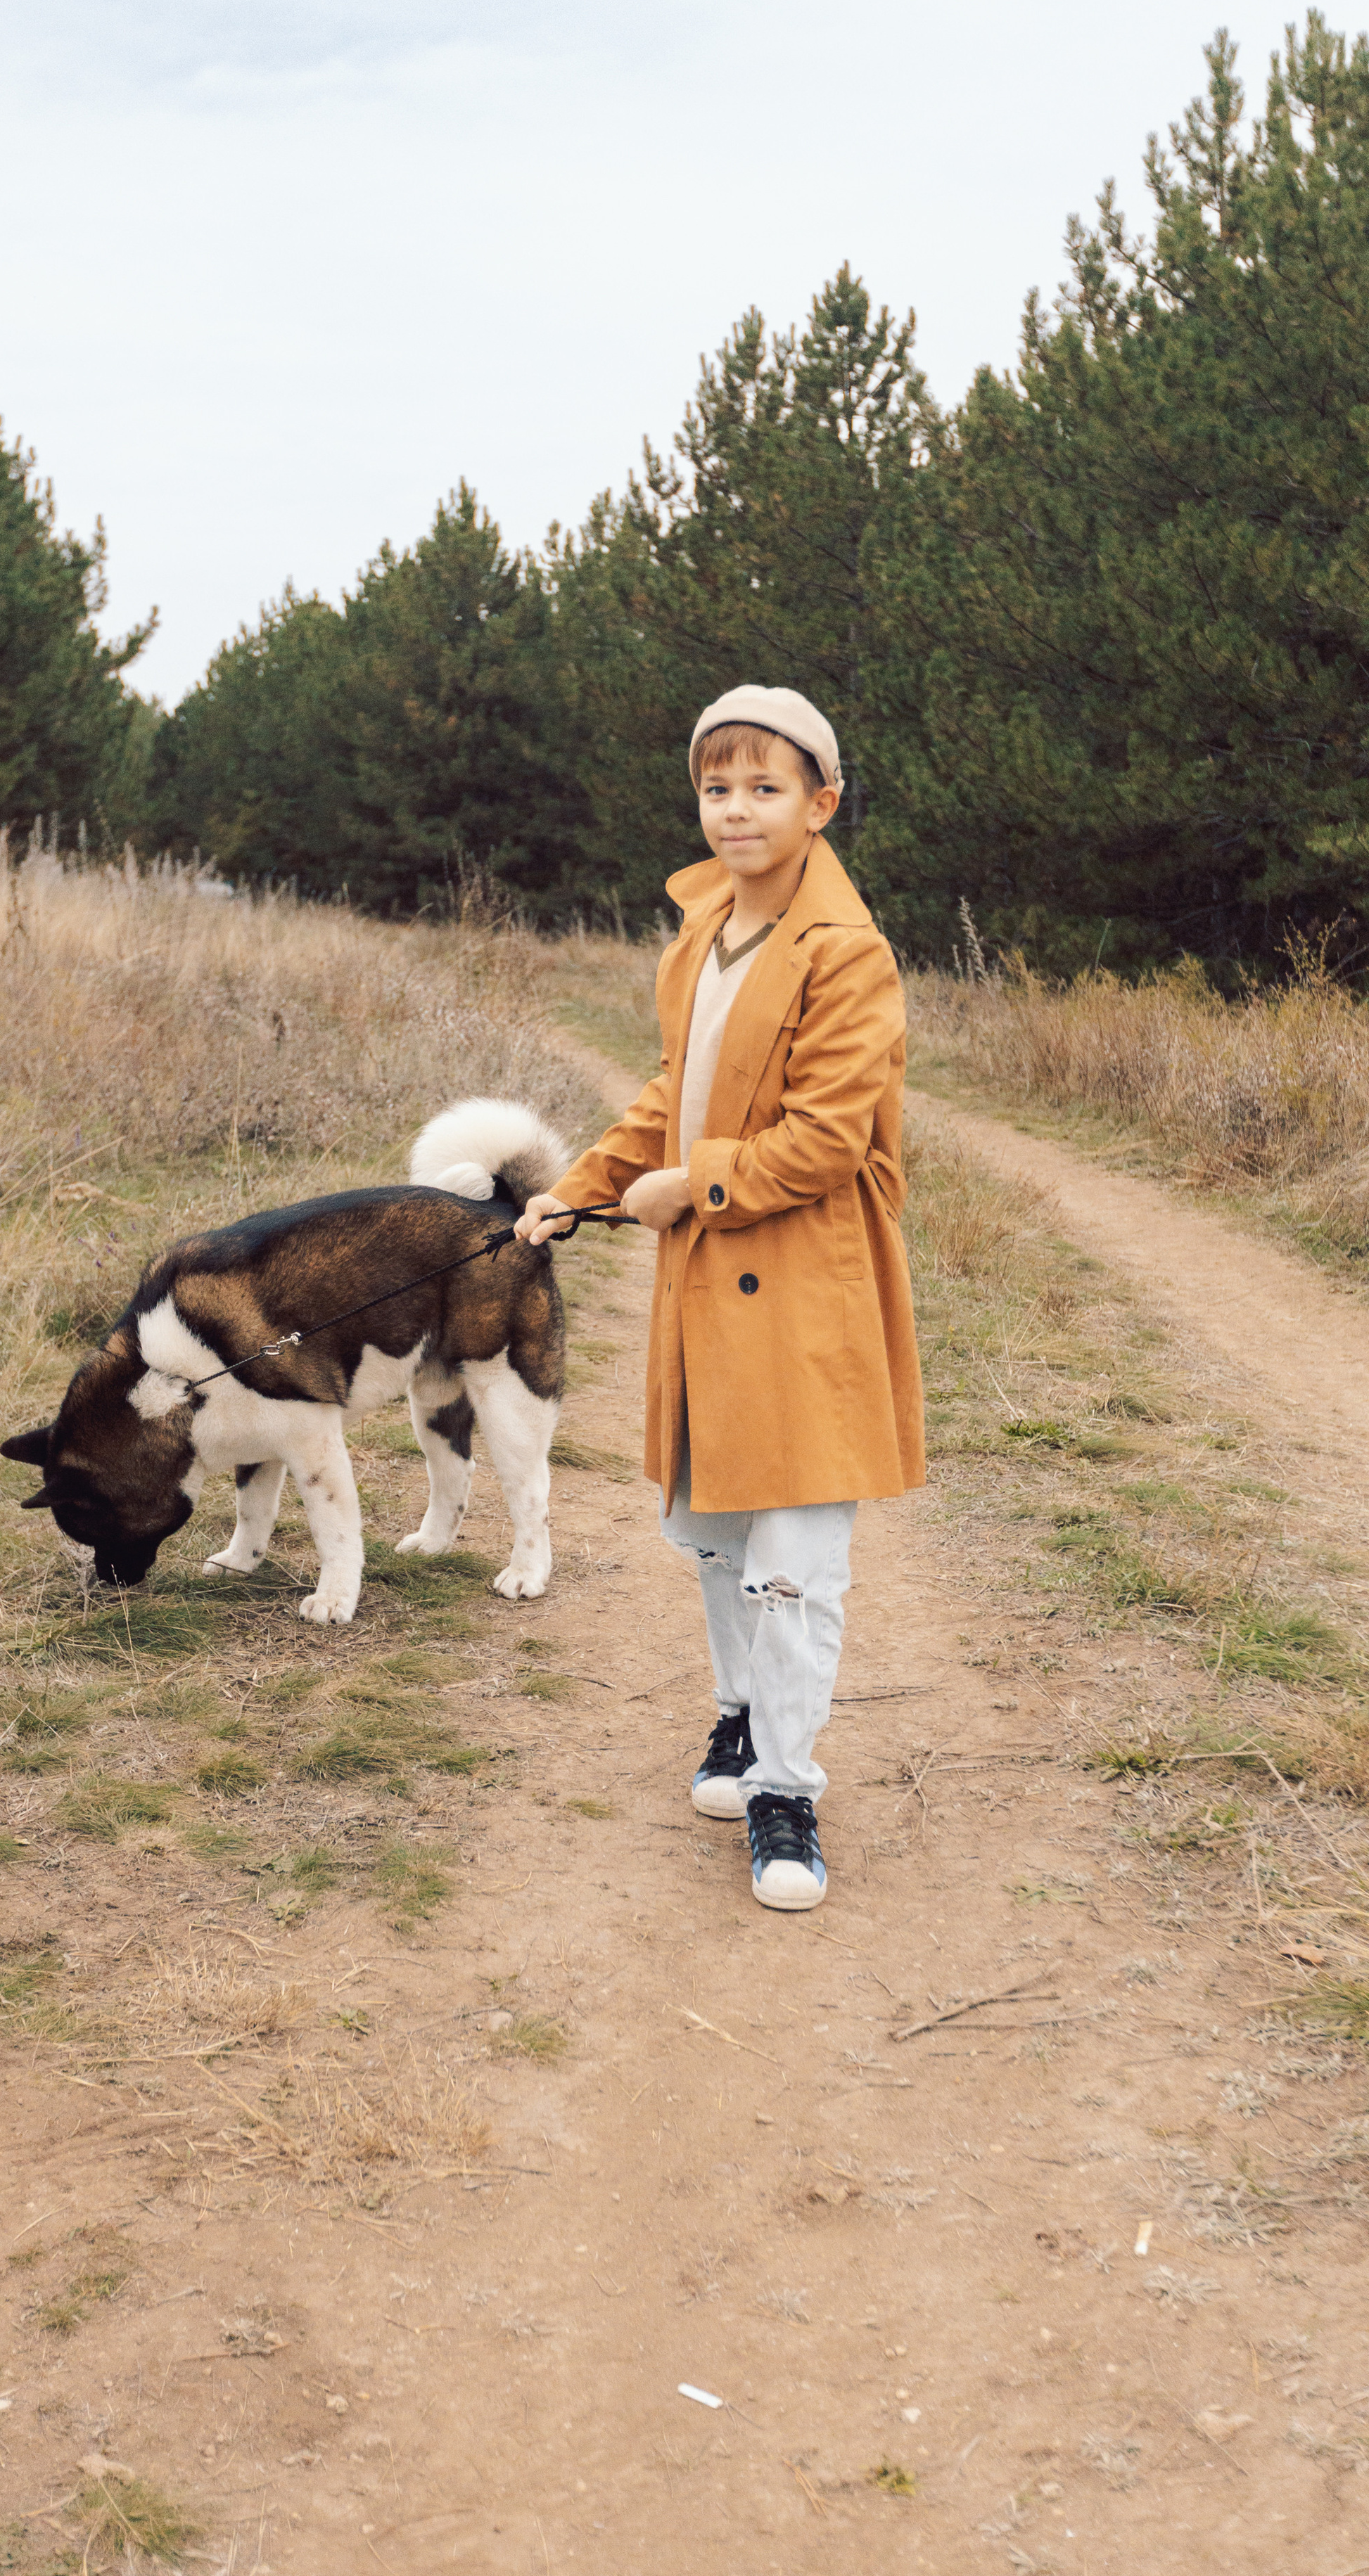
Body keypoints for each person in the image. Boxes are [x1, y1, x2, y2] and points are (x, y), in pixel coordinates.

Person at [516, 685, 925, 1911]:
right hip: (709, 1283)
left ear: (821, 803)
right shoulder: (698, 938)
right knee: (713, 1534)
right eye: (716, 785)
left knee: (794, 1552)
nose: (737, 809)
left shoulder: (847, 955)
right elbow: (670, 1095)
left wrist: (687, 1190)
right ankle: (742, 1718)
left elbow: (822, 1142)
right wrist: (581, 1186)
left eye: (765, 786)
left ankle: (788, 1791)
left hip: (804, 1283)